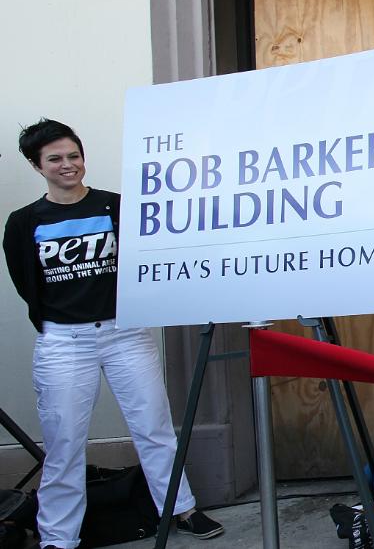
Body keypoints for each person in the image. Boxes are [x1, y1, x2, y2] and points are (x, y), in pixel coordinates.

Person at [3, 119, 224, 548]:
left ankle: (181, 510)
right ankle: (57, 538)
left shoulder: (118, 207)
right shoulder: (24, 221)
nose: (68, 165)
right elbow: (24, 280)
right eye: (55, 159)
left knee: (154, 428)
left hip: (125, 335)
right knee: (64, 443)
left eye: (74, 155)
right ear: (37, 165)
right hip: (63, 342)